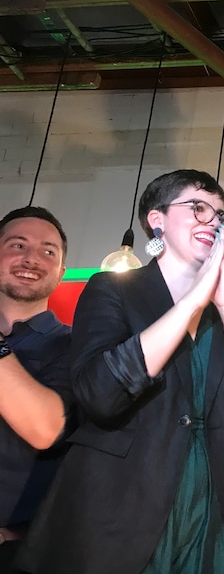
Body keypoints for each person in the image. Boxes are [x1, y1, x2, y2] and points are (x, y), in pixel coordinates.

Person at [16, 169, 224, 574]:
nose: (212, 221)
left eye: (219, 214)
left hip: (220, 507)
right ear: (156, 219)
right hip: (123, 502)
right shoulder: (112, 290)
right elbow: (100, 396)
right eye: (198, 208)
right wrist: (192, 301)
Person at [0, 206, 74, 571]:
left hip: (20, 553)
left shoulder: (78, 348)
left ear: (61, 272)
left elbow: (46, 429)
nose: (32, 259)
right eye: (18, 245)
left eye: (49, 251)